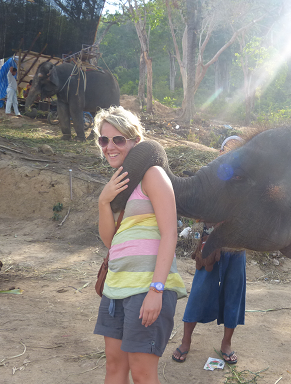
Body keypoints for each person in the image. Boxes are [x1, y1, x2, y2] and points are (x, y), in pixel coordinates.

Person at [93, 105, 187, 384]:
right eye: (103, 140)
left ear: (135, 141)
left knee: (143, 373)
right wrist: (103, 201)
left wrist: (156, 290)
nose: (110, 146)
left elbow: (170, 234)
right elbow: (111, 241)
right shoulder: (118, 185)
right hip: (116, 288)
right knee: (114, 367)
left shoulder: (153, 175)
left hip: (147, 289)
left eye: (118, 139)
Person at [172, 135, 246, 365]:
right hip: (211, 243)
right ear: (220, 153)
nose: (232, 154)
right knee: (200, 290)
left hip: (236, 246)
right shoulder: (210, 179)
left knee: (234, 293)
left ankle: (226, 344)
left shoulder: (249, 183)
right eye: (227, 149)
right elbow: (197, 210)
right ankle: (186, 341)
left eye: (238, 151)